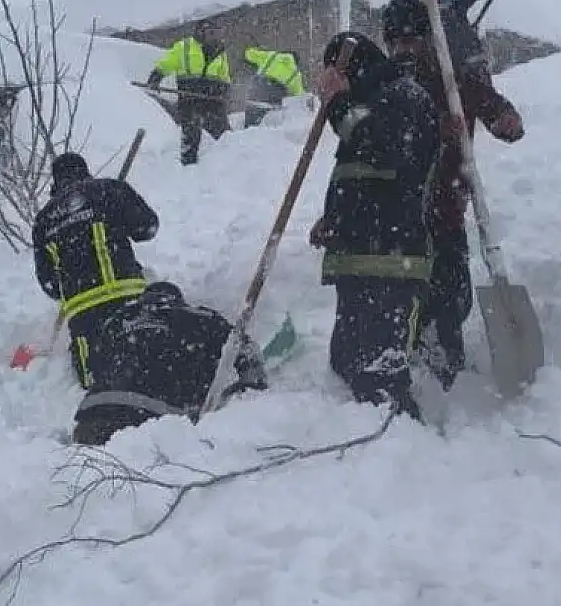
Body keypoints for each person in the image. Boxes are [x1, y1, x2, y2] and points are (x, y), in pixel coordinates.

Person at [378, 0, 525, 387]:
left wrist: (504, 119)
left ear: (427, 38)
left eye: (412, 40)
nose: (404, 49)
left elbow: (487, 102)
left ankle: (448, 356)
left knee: (451, 288)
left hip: (445, 207)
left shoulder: (450, 76)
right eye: (397, 42)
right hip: (399, 212)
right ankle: (411, 355)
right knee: (406, 292)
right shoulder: (385, 83)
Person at [308, 32, 440, 420]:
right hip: (359, 264)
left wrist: (338, 103)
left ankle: (403, 456)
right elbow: (364, 178)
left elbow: (385, 150)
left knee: (380, 380)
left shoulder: (405, 96)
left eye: (333, 72)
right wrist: (335, 219)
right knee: (347, 367)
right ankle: (354, 458)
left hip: (390, 265)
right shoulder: (369, 103)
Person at [71, 281, 267, 445]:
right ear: (177, 301)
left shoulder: (116, 322)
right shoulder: (198, 318)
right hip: (151, 419)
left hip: (92, 415)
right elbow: (241, 346)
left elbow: (93, 365)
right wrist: (250, 386)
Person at [32, 152, 159, 388]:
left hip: (84, 314)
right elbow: (148, 227)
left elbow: (49, 284)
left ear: (55, 181)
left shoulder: (43, 221)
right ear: (85, 170)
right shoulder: (110, 190)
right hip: (128, 297)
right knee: (150, 363)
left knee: (98, 384)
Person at [145, 19, 232, 165]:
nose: (214, 37)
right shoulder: (184, 47)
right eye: (211, 33)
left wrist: (225, 91)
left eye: (216, 33)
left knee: (223, 133)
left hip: (213, 98)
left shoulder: (220, 51)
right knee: (191, 131)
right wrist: (157, 76)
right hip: (189, 96)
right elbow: (167, 62)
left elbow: (224, 76)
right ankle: (188, 166)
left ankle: (229, 162)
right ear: (200, 32)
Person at [239, 44, 306, 128]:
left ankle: (247, 130)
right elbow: (299, 95)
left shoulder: (271, 55)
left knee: (252, 112)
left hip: (256, 90)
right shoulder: (296, 74)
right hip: (273, 98)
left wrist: (255, 47)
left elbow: (248, 54)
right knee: (264, 124)